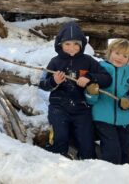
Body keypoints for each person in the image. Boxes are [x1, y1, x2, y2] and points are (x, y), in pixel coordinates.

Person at [39, 21, 112, 159]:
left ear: (82, 44)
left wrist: (90, 78)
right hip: (58, 107)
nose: (71, 48)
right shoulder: (55, 62)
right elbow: (42, 83)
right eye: (67, 44)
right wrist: (54, 81)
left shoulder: (88, 61)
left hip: (82, 107)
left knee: (86, 141)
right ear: (60, 44)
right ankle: (57, 160)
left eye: (75, 44)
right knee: (59, 135)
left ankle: (87, 165)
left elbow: (107, 78)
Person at [85, 39, 129, 165]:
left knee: (124, 149)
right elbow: (89, 99)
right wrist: (91, 92)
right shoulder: (100, 69)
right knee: (112, 149)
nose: (120, 58)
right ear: (110, 51)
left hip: (124, 120)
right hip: (102, 118)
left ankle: (124, 175)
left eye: (125, 56)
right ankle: (111, 175)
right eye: (117, 53)